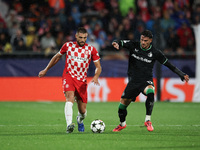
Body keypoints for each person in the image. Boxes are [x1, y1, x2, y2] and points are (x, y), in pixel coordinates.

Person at [112, 30, 189, 132]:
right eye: (141, 40)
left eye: (145, 40)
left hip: (146, 80)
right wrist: (115, 43)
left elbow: (169, 64)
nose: (143, 42)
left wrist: (181, 74)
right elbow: (120, 42)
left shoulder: (155, 52)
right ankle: (122, 124)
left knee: (151, 91)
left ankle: (147, 120)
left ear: (150, 40)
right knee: (122, 107)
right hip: (133, 82)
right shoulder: (134, 45)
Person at [38, 27, 102, 133]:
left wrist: (96, 76)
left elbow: (98, 66)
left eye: (85, 38)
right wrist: (46, 69)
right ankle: (69, 125)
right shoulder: (68, 46)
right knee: (70, 98)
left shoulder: (91, 49)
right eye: (80, 37)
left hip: (82, 81)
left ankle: (79, 120)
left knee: (83, 111)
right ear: (76, 36)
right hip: (69, 76)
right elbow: (56, 57)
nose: (82, 40)